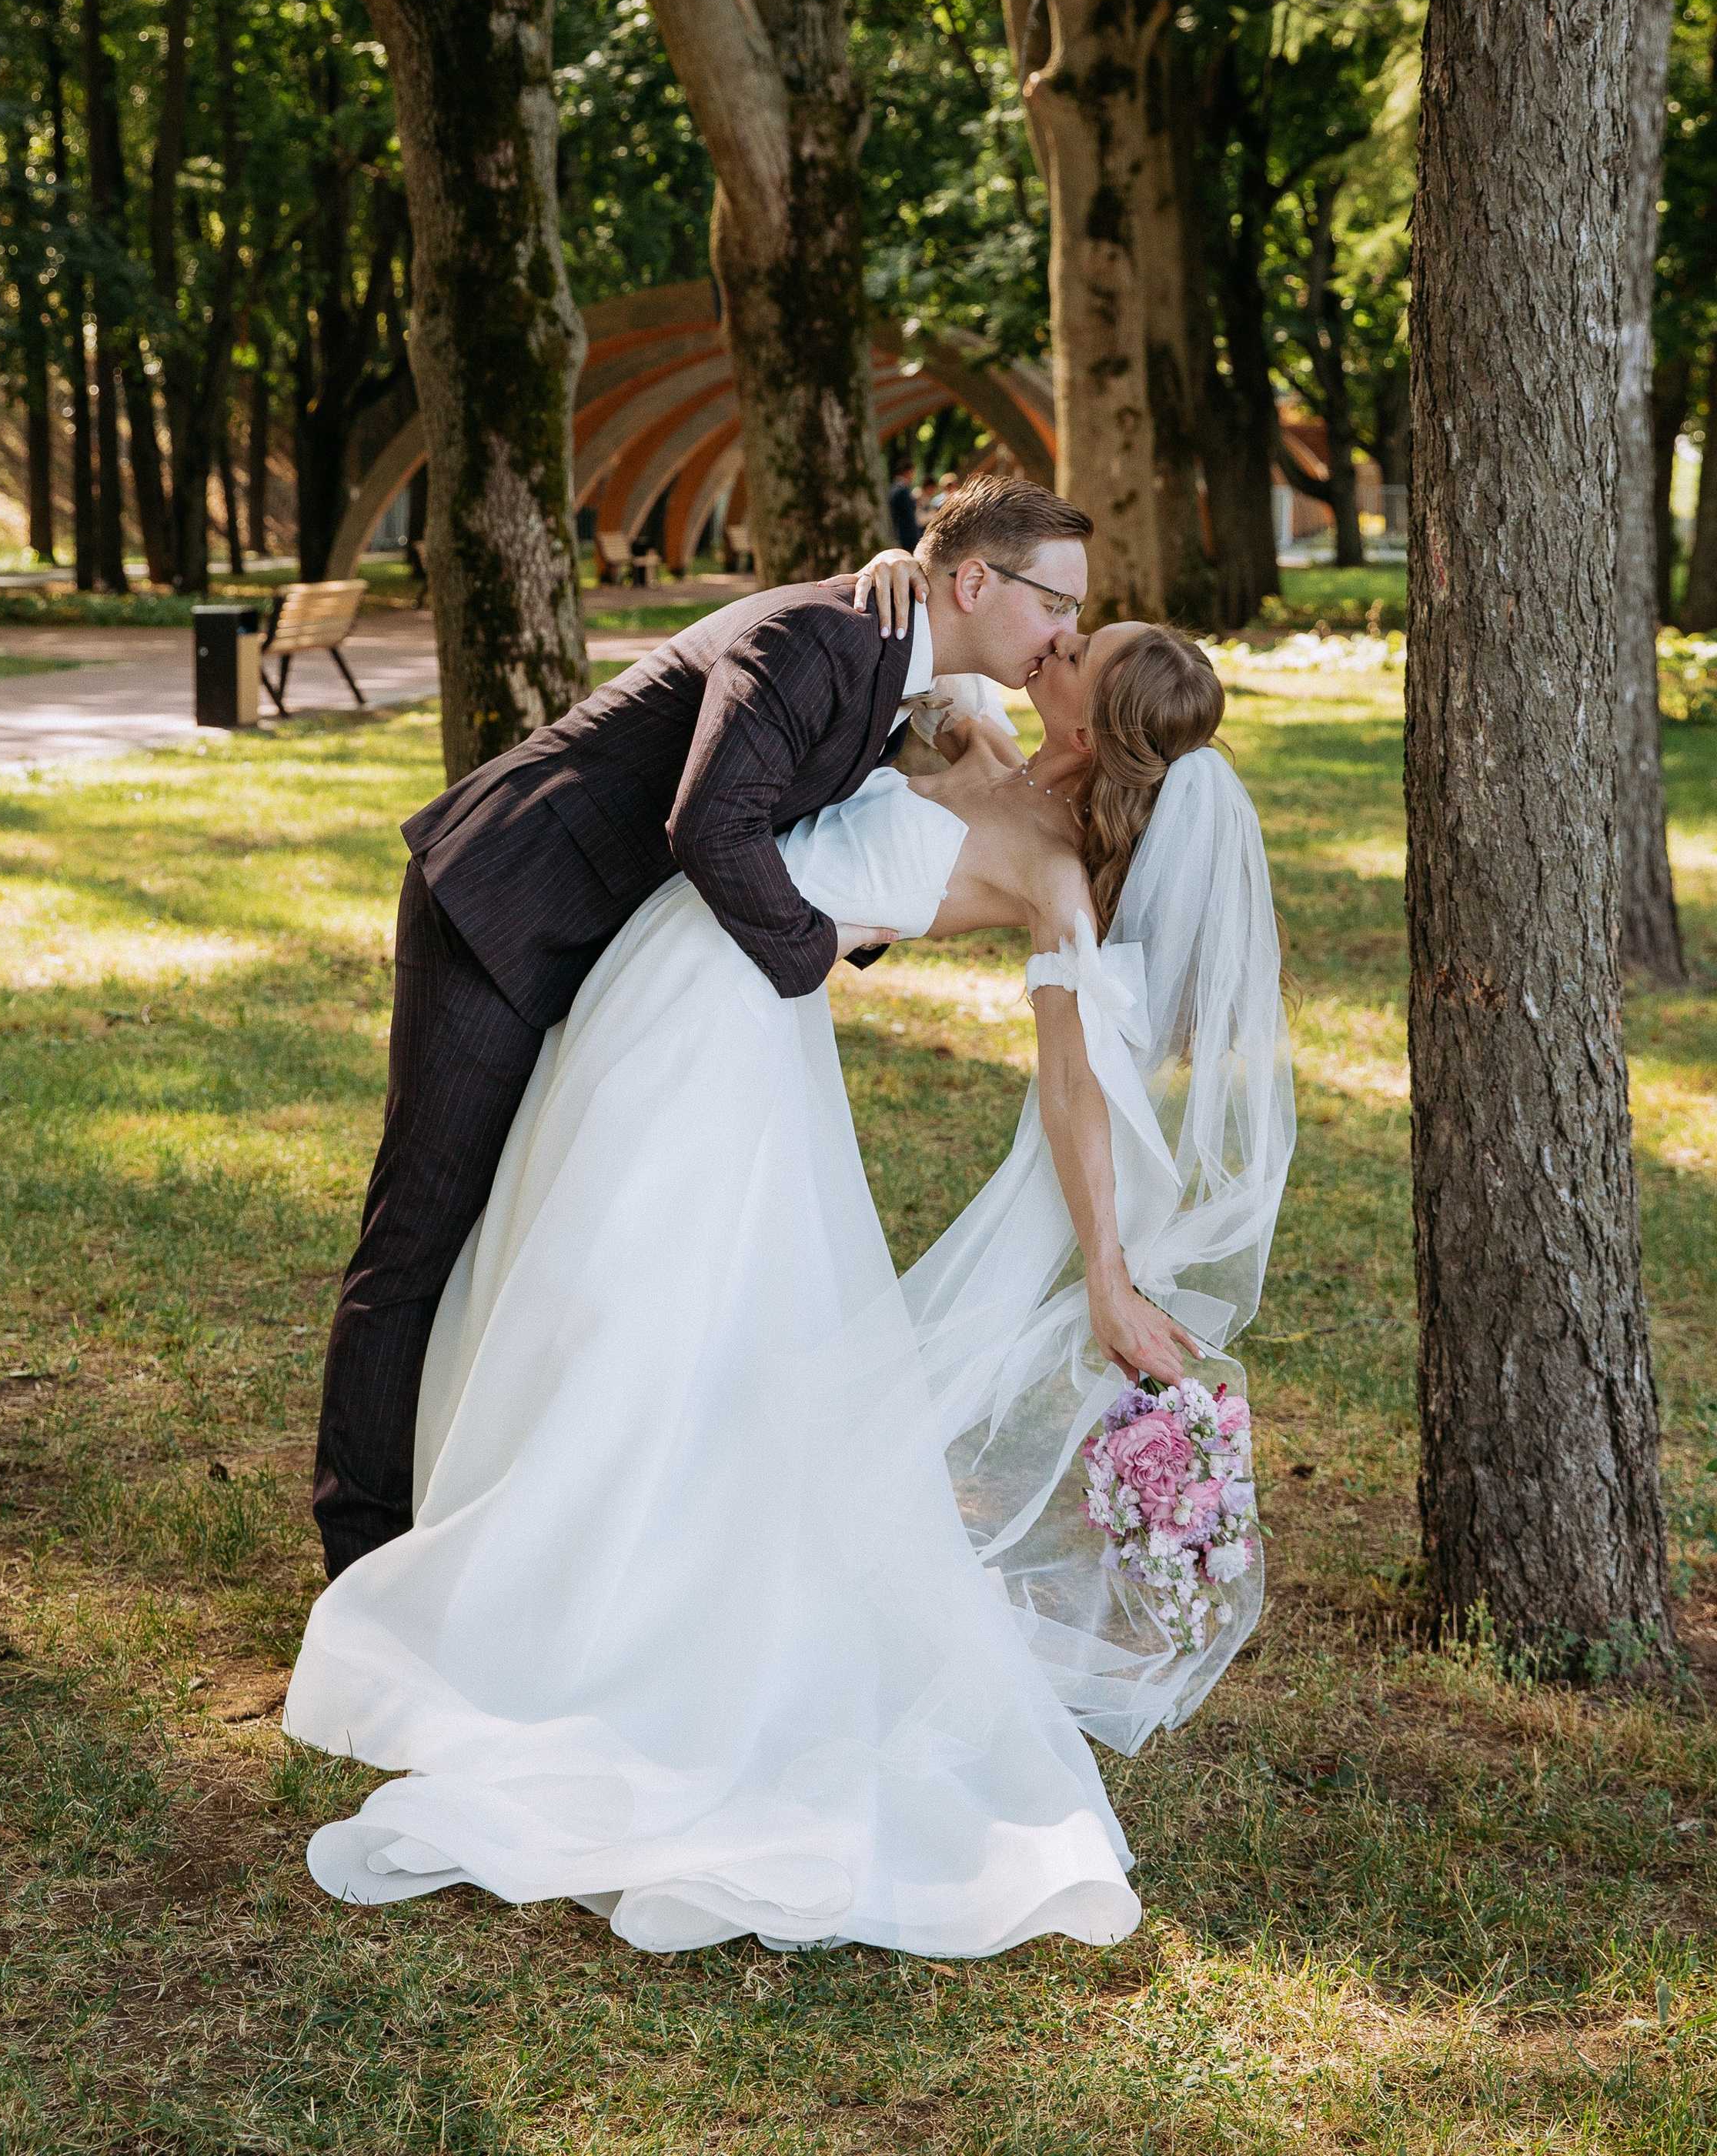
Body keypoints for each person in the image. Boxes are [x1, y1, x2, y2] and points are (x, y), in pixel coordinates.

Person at [284, 576, 1293, 1958]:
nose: (1053, 644)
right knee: (578, 1272)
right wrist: (916, 597)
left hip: (729, 1037)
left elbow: (1074, 1097)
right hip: (676, 981)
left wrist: (1108, 1276)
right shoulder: (985, 742)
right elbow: (905, 679)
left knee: (636, 1296)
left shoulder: (1059, 881)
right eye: (1065, 626)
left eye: (1076, 654)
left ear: (1092, 728)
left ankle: (579, 1597)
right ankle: (514, 1543)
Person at [312, 478, 1092, 1580]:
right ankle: (361, 1551)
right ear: (973, 581)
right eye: (1058, 604)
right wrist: (811, 950)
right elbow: (710, 821)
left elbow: (892, 786)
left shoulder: (903, 654)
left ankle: (471, 1500)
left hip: (618, 945)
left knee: (524, 1227)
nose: (1069, 631)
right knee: (422, 1231)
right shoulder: (821, 638)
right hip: (510, 901)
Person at [887, 457, 921, 552]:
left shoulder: (898, 488)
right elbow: (908, 512)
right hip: (907, 534)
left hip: (904, 534)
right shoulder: (901, 489)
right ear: (908, 472)